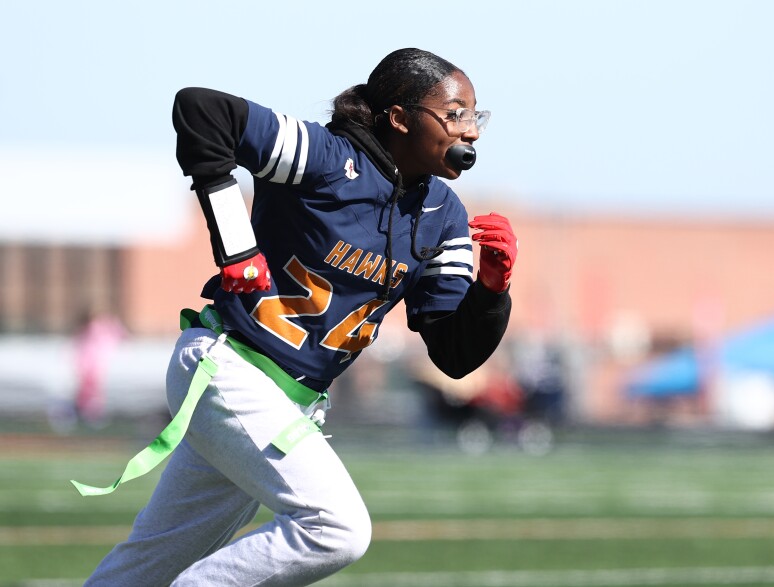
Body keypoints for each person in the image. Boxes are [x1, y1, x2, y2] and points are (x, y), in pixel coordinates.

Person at [83, 47, 517, 586]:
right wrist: (237, 248)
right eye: (454, 114)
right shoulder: (327, 156)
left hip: (283, 402)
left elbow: (454, 354)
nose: (470, 131)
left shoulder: (443, 216)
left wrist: (492, 290)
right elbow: (201, 110)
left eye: (474, 116)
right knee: (335, 529)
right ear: (400, 117)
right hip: (231, 370)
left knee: (146, 566)